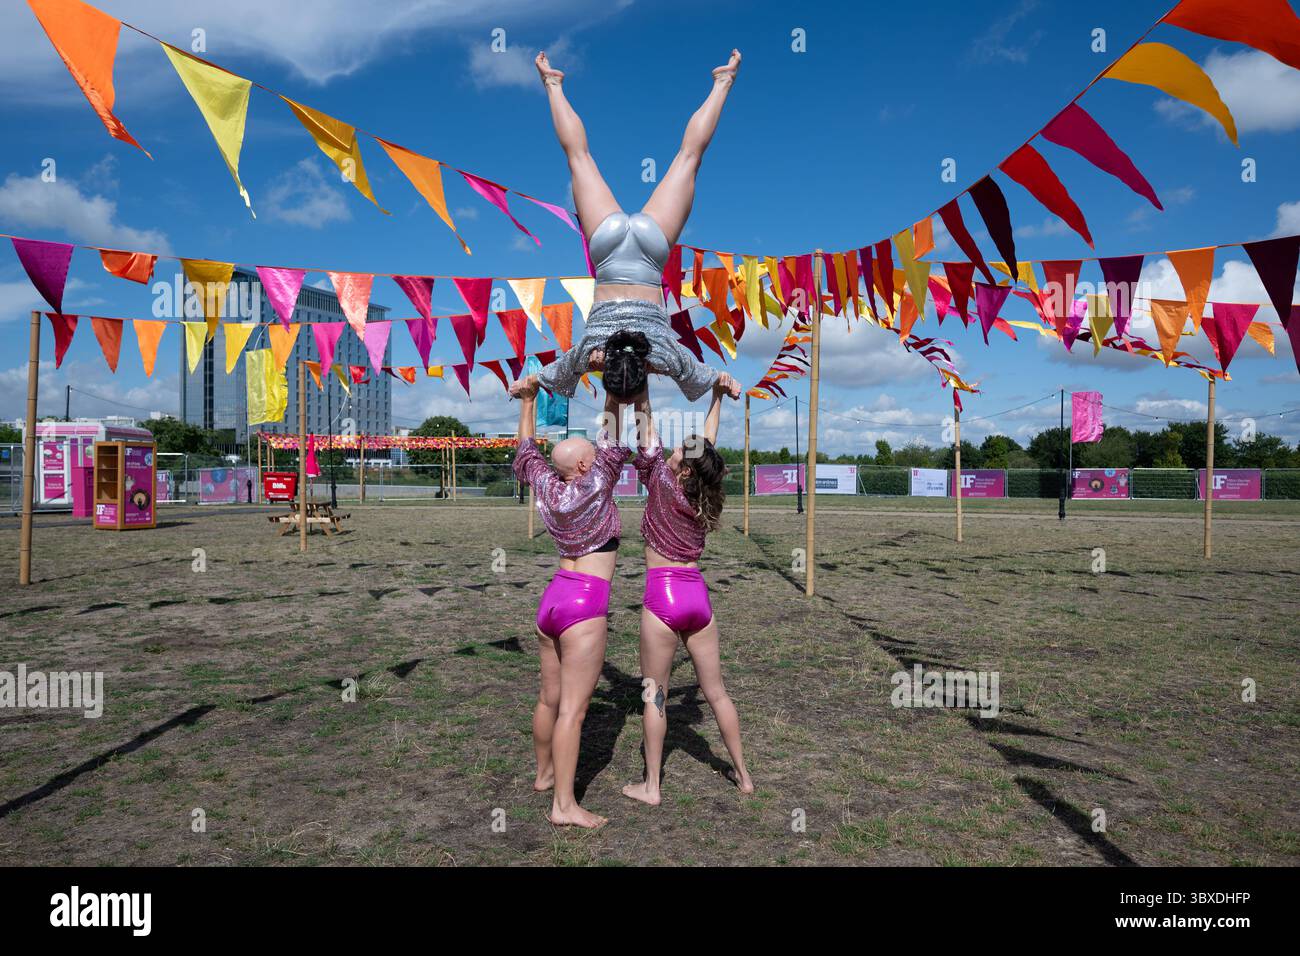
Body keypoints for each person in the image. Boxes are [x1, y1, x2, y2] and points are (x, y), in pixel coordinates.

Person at [508, 48, 745, 403]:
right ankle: (552, 84)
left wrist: (725, 381)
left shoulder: (664, 356)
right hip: (608, 247)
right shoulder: (590, 353)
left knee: (689, 158)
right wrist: (524, 384)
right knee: (578, 158)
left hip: (651, 252)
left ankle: (723, 82)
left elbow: (712, 374)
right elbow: (546, 373)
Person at [622, 372, 754, 805]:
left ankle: (652, 787)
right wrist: (717, 397)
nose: (676, 448)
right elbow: (705, 447)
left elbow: (645, 422)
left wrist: (637, 381)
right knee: (717, 693)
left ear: (680, 470)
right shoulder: (705, 495)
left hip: (662, 599)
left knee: (654, 695)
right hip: (697, 597)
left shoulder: (662, 482)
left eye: (679, 451)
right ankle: (743, 775)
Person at [511, 377, 631, 828]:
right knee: (572, 711)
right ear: (583, 464)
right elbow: (616, 434)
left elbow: (526, 451)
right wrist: (616, 383)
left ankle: (544, 775)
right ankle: (564, 806)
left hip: (553, 600)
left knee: (548, 698)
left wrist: (527, 402)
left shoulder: (548, 484)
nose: (599, 456)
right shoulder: (596, 481)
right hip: (584, 607)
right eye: (592, 454)